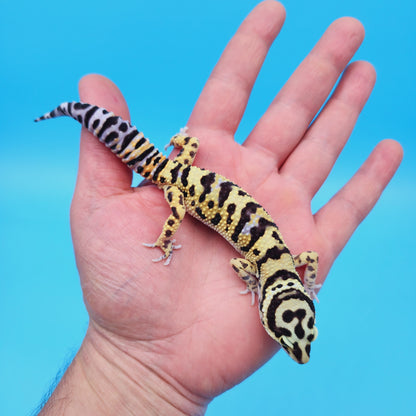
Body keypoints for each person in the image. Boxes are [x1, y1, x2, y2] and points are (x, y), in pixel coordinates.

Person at [38, 1, 402, 414]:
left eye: (295, 338)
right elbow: (251, 265)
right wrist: (254, 277)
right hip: (181, 188)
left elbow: (305, 258)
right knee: (173, 214)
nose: (296, 348)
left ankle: (144, 135)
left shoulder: (291, 263)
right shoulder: (270, 269)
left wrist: (295, 282)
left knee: (170, 162)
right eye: (294, 339)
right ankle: (161, 232)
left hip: (188, 171)